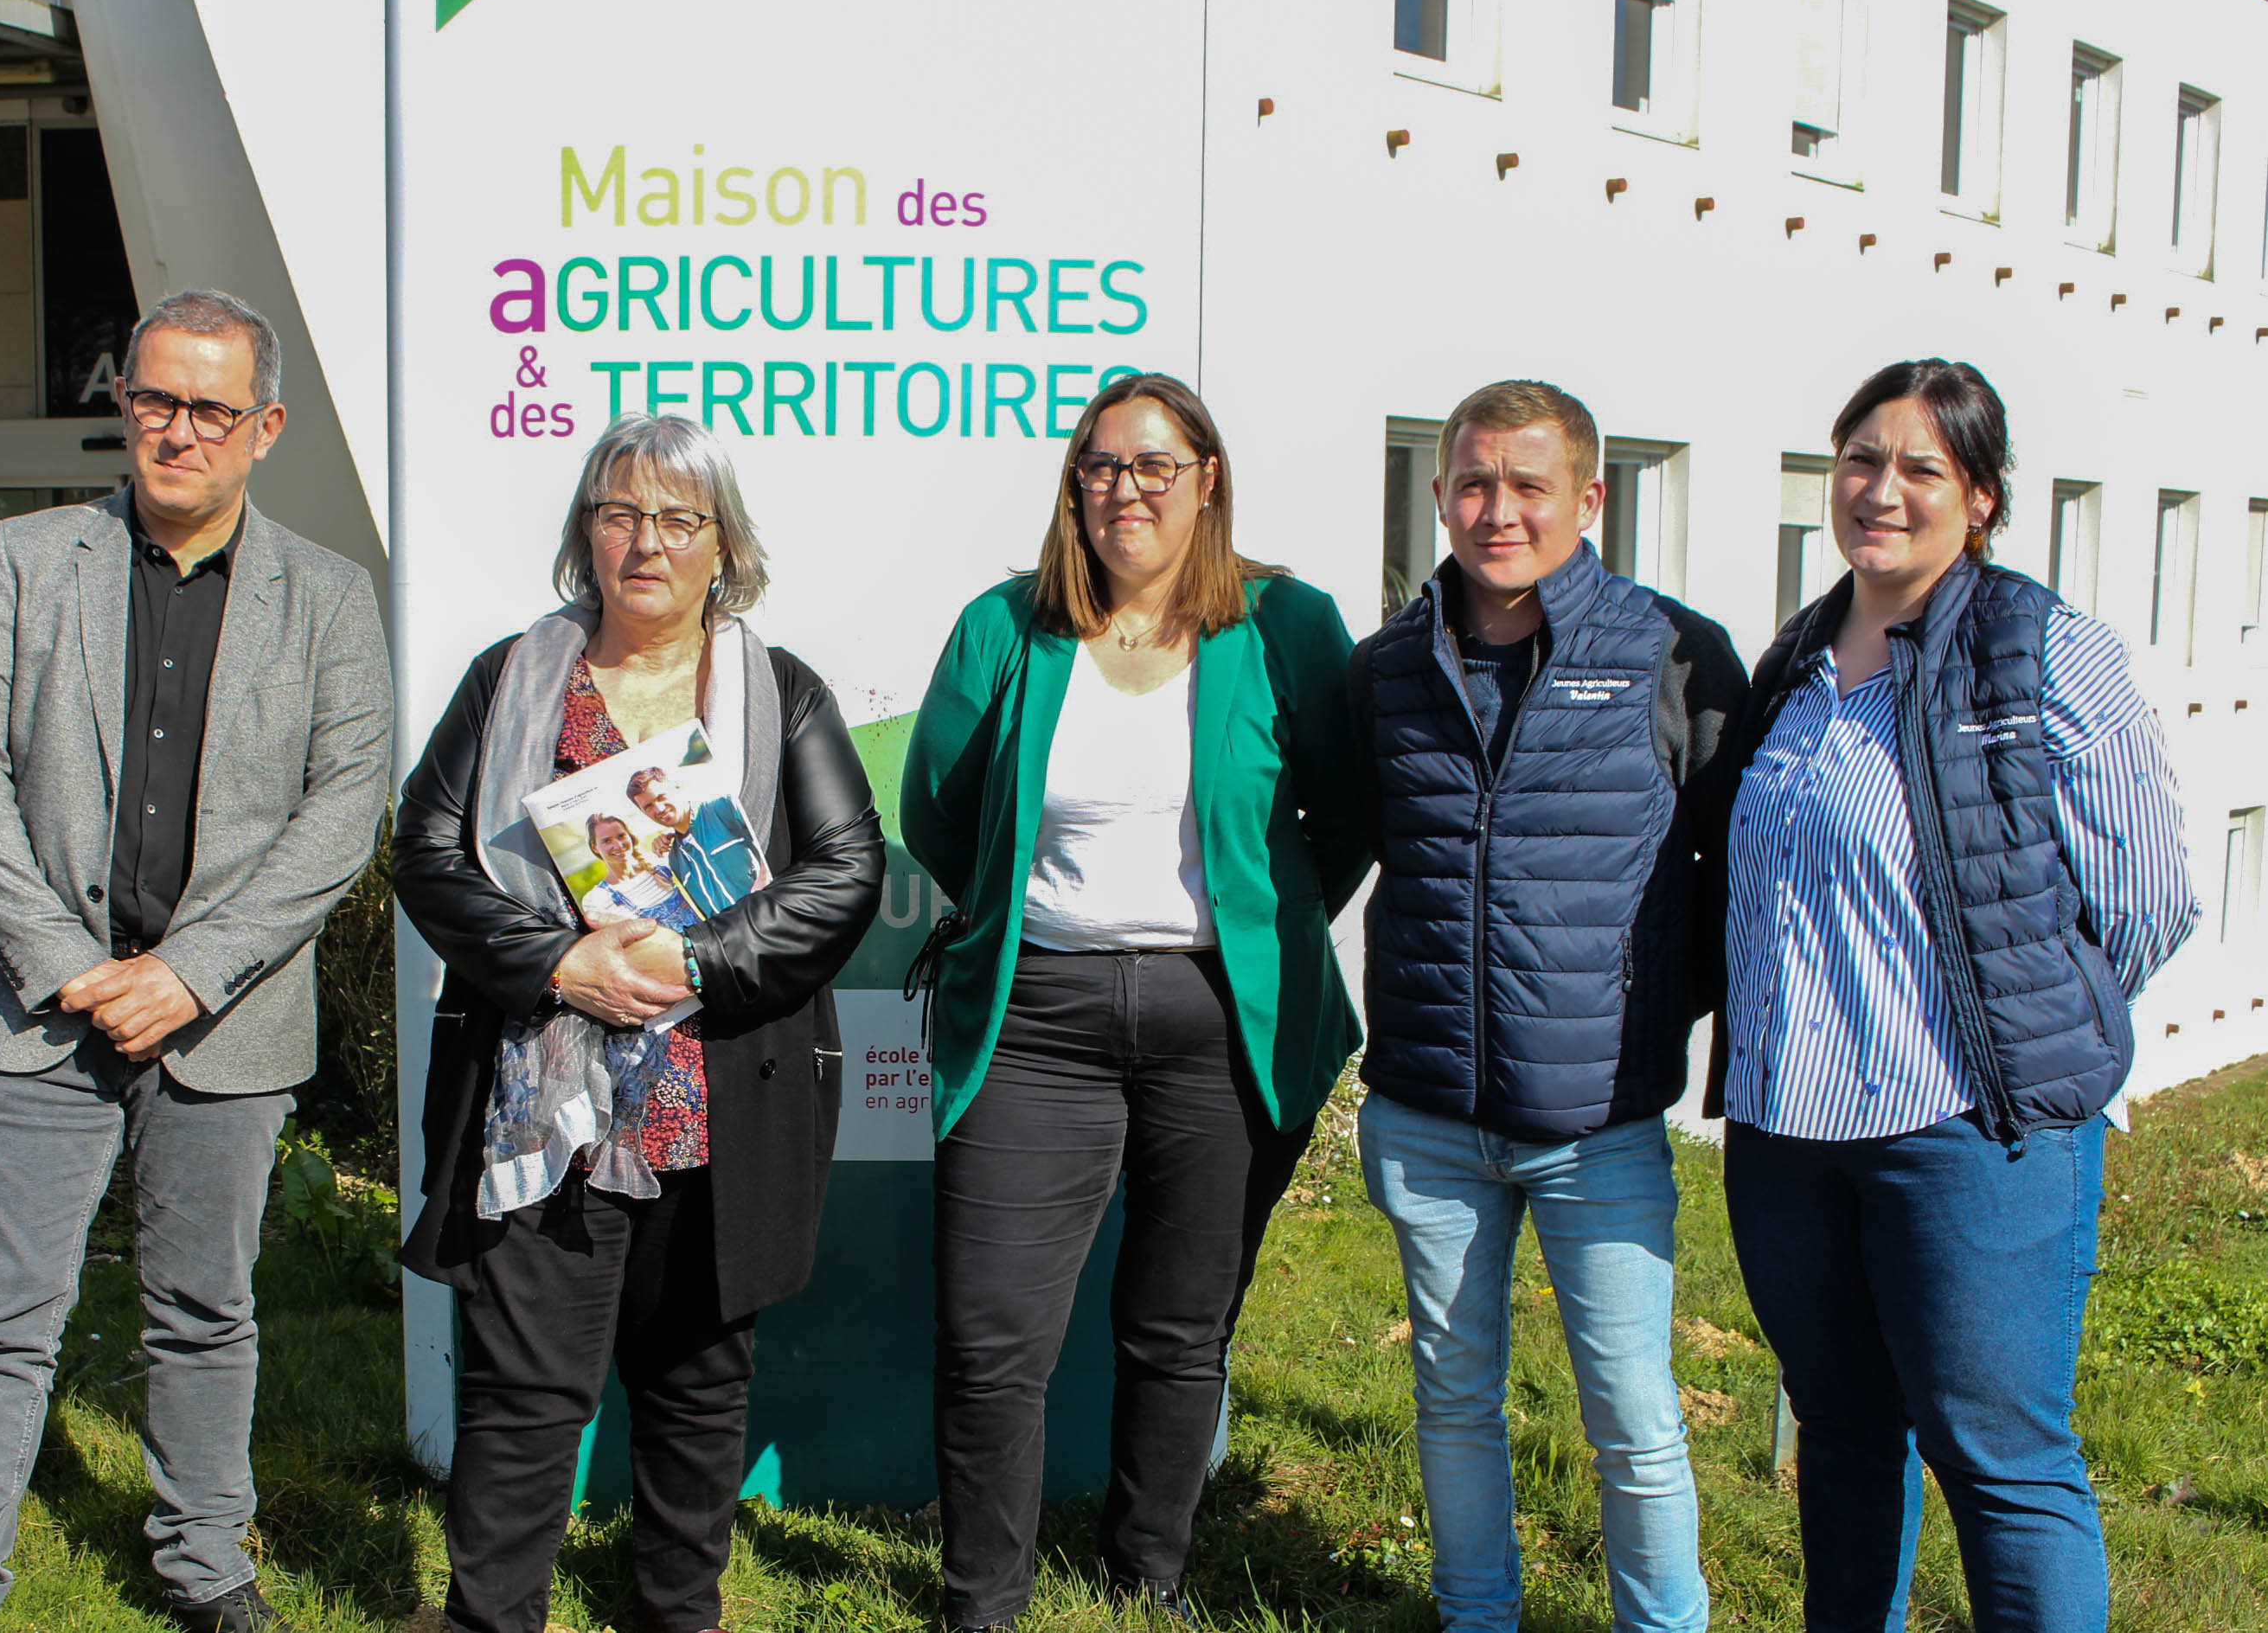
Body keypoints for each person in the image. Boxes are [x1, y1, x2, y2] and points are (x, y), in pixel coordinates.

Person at [0, 289, 394, 1633]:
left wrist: (190, 971)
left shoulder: (330, 599)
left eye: (208, 408)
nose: (176, 430)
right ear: (123, 404)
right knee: (1, 1319)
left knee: (205, 1309)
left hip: (220, 1023)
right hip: (31, 1015)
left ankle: (202, 1562)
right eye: (153, 399)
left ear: (264, 426)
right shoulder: (23, 560)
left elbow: (341, 812)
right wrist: (70, 964)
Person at [1709, 359, 2195, 1632]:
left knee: (2000, 1458)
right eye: (1859, 460)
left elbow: (2145, 896)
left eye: (1919, 468)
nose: (1880, 490)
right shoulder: (1798, 656)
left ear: (1978, 497)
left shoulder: (2041, 651)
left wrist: (2025, 1020)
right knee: (1844, 1426)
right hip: (1788, 1133)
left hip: (1965, 1131)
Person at [394, 411, 883, 1633]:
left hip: (717, 1100)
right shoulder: (513, 677)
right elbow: (426, 851)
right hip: (540, 1104)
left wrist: (691, 960)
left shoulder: (780, 693)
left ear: (723, 545)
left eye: (678, 517)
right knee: (519, 1400)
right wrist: (560, 964)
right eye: (619, 512)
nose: (646, 542)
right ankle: (490, 1619)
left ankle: (678, 1614)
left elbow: (844, 873)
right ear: (584, 533)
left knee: (697, 1389)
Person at [902, 372, 1369, 1631]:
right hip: (1035, 1014)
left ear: (1206, 479)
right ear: (1074, 487)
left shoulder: (1284, 625)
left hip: (1218, 1016)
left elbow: (1346, 810)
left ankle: (1143, 1578)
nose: (1125, 490)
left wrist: (1260, 929)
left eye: (1155, 466)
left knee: (1177, 1322)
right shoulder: (1007, 626)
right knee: (991, 1335)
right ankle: (980, 1600)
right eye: (1101, 466)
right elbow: (939, 807)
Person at [1348, 380, 1745, 1633]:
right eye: (1472, 483)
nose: (1495, 510)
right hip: (1427, 1112)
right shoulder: (1386, 668)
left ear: (1588, 497)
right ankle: (1476, 1615)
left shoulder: (1672, 653)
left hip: (1599, 1122)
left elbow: (1732, 865)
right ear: (1438, 493)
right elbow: (1345, 844)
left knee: (1630, 1409)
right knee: (1452, 1395)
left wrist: (1656, 1021)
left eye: (1527, 485)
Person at [631, 763, 765, 913]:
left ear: (676, 787)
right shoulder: (675, 858)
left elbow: (772, 837)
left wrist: (764, 883)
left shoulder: (725, 808)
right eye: (648, 806)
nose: (659, 809)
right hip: (739, 932)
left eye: (662, 797)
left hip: (772, 908)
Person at [585, 810, 698, 928]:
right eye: (607, 841)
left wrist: (672, 833)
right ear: (595, 847)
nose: (618, 845)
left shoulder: (659, 861)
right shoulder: (597, 899)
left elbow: (695, 843)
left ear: (630, 836)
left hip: (706, 942)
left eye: (621, 836)